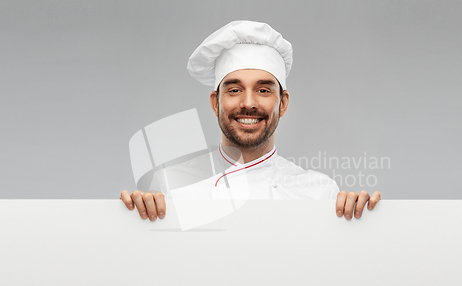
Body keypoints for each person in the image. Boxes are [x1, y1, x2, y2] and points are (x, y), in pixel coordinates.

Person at [120, 20, 381, 222]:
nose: (248, 103)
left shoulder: (319, 192)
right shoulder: (170, 185)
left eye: (263, 90)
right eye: (234, 90)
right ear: (215, 102)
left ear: (283, 102)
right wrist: (130, 219)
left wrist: (361, 220)